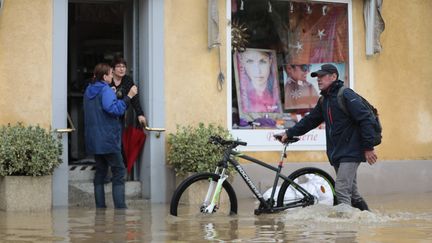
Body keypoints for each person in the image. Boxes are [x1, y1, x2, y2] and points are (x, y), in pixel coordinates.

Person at [276, 64, 377, 211]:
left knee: (341, 190)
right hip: (338, 151)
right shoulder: (325, 100)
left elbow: (366, 119)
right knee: (352, 193)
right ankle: (368, 218)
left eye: (322, 76)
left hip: (351, 151)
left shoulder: (346, 95)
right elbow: (310, 121)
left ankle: (346, 229)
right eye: (317, 77)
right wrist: (289, 133)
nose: (319, 80)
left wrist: (368, 147)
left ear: (334, 77)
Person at [83, 63, 138, 209]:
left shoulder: (89, 90)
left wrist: (112, 95)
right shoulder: (105, 90)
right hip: (108, 140)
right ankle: (121, 212)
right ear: (105, 76)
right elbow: (115, 110)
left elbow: (101, 108)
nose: (112, 75)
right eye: (110, 73)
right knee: (119, 172)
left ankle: (100, 210)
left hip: (94, 140)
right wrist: (128, 97)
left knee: (100, 173)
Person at [238, 49, 281, 113]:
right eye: (250, 62)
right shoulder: (243, 95)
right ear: (242, 63)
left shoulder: (274, 94)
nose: (258, 71)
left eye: (262, 62)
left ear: (270, 62)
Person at [111, 56, 146, 126]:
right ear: (113, 69)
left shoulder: (128, 80)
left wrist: (140, 114)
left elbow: (134, 98)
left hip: (121, 114)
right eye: (118, 66)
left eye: (123, 67)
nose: (121, 69)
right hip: (109, 113)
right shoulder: (108, 80)